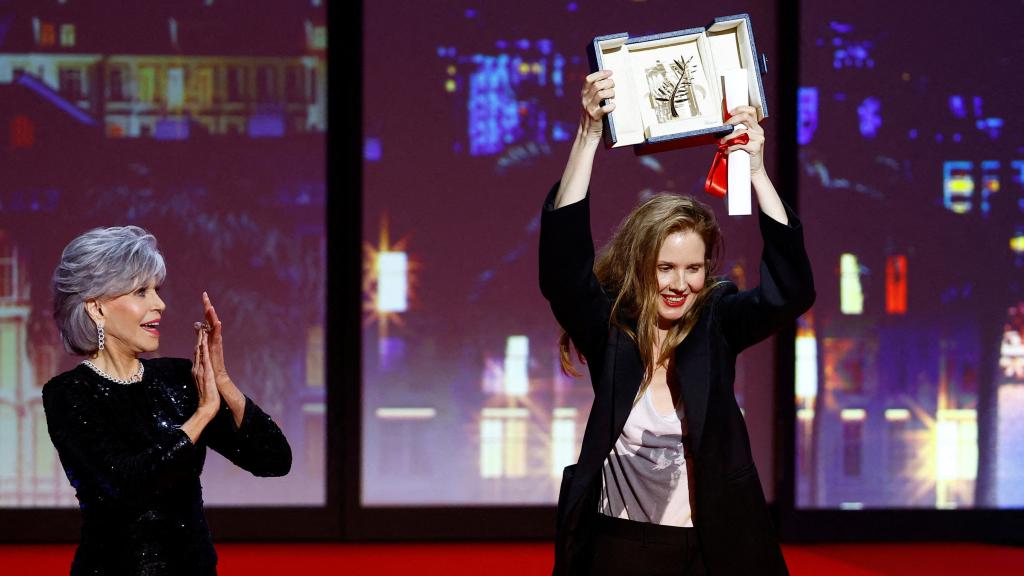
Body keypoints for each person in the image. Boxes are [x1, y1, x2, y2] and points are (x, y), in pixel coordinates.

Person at [540, 70, 815, 575]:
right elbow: (563, 272)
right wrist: (588, 135)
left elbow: (790, 293)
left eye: (693, 269)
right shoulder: (612, 330)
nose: (679, 284)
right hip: (620, 547)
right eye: (665, 267)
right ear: (642, 265)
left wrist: (756, 171)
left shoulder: (716, 322)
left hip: (713, 548)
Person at [43, 225, 292, 575]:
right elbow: (127, 484)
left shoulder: (177, 379)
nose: (159, 304)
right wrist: (203, 414)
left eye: (156, 290)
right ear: (96, 308)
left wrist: (221, 381)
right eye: (141, 292)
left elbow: (274, 460)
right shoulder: (68, 394)